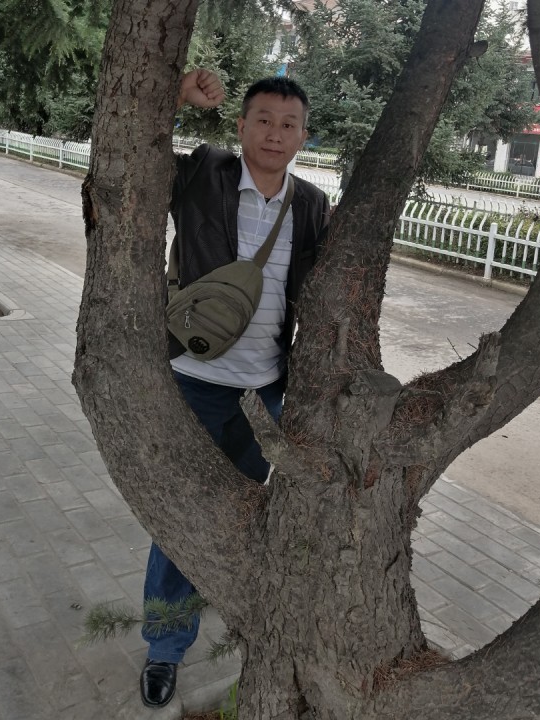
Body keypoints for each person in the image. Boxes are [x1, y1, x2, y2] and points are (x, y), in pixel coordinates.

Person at [140, 69, 330, 709]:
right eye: (264, 120)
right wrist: (174, 95)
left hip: (263, 395)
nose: (275, 133)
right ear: (242, 125)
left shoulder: (312, 205)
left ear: (303, 136)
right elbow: (136, 161)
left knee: (243, 513)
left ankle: (229, 608)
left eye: (288, 124)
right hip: (193, 383)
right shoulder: (204, 173)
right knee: (179, 519)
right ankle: (166, 646)